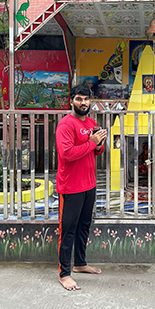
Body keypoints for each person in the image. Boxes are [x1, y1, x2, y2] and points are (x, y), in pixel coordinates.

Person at [56, 84, 107, 291]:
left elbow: (97, 152)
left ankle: (80, 264)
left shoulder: (92, 122)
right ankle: (64, 274)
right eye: (78, 99)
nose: (83, 103)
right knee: (67, 231)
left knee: (84, 226)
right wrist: (92, 142)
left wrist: (99, 142)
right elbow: (66, 154)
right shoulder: (66, 125)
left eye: (86, 99)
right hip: (71, 187)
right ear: (71, 101)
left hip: (89, 185)